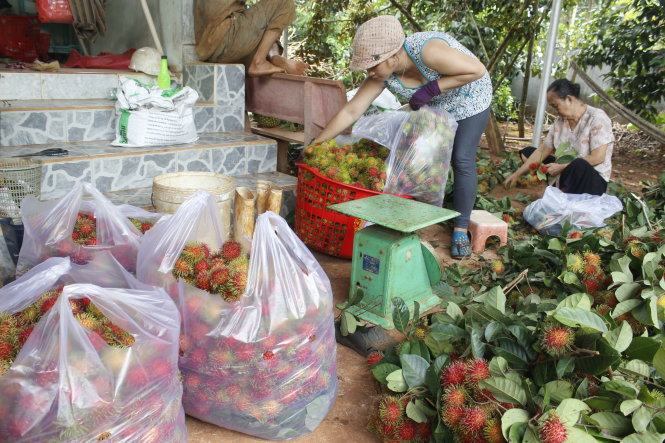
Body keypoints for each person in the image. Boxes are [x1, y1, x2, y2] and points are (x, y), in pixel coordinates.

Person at [313, 15, 493, 259]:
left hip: (470, 97)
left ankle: (460, 228)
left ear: (393, 55)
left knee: (461, 158)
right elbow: (351, 110)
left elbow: (477, 69)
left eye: (373, 66)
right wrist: (317, 143)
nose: (370, 72)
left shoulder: (427, 51)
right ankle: (418, 215)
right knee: (416, 160)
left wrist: (431, 89)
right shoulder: (383, 74)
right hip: (437, 107)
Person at [505, 79, 614, 195]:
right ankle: (557, 187)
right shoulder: (560, 121)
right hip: (566, 170)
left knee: (579, 164)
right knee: (528, 152)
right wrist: (516, 174)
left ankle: (559, 196)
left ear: (569, 99)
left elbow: (597, 157)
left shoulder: (597, 118)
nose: (555, 111)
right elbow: (543, 149)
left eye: (555, 106)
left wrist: (561, 167)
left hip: (591, 180)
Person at [194, 0, 308, 77]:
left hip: (207, 48)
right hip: (227, 36)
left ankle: (273, 56)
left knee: (268, 23)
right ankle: (259, 62)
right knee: (284, 3)